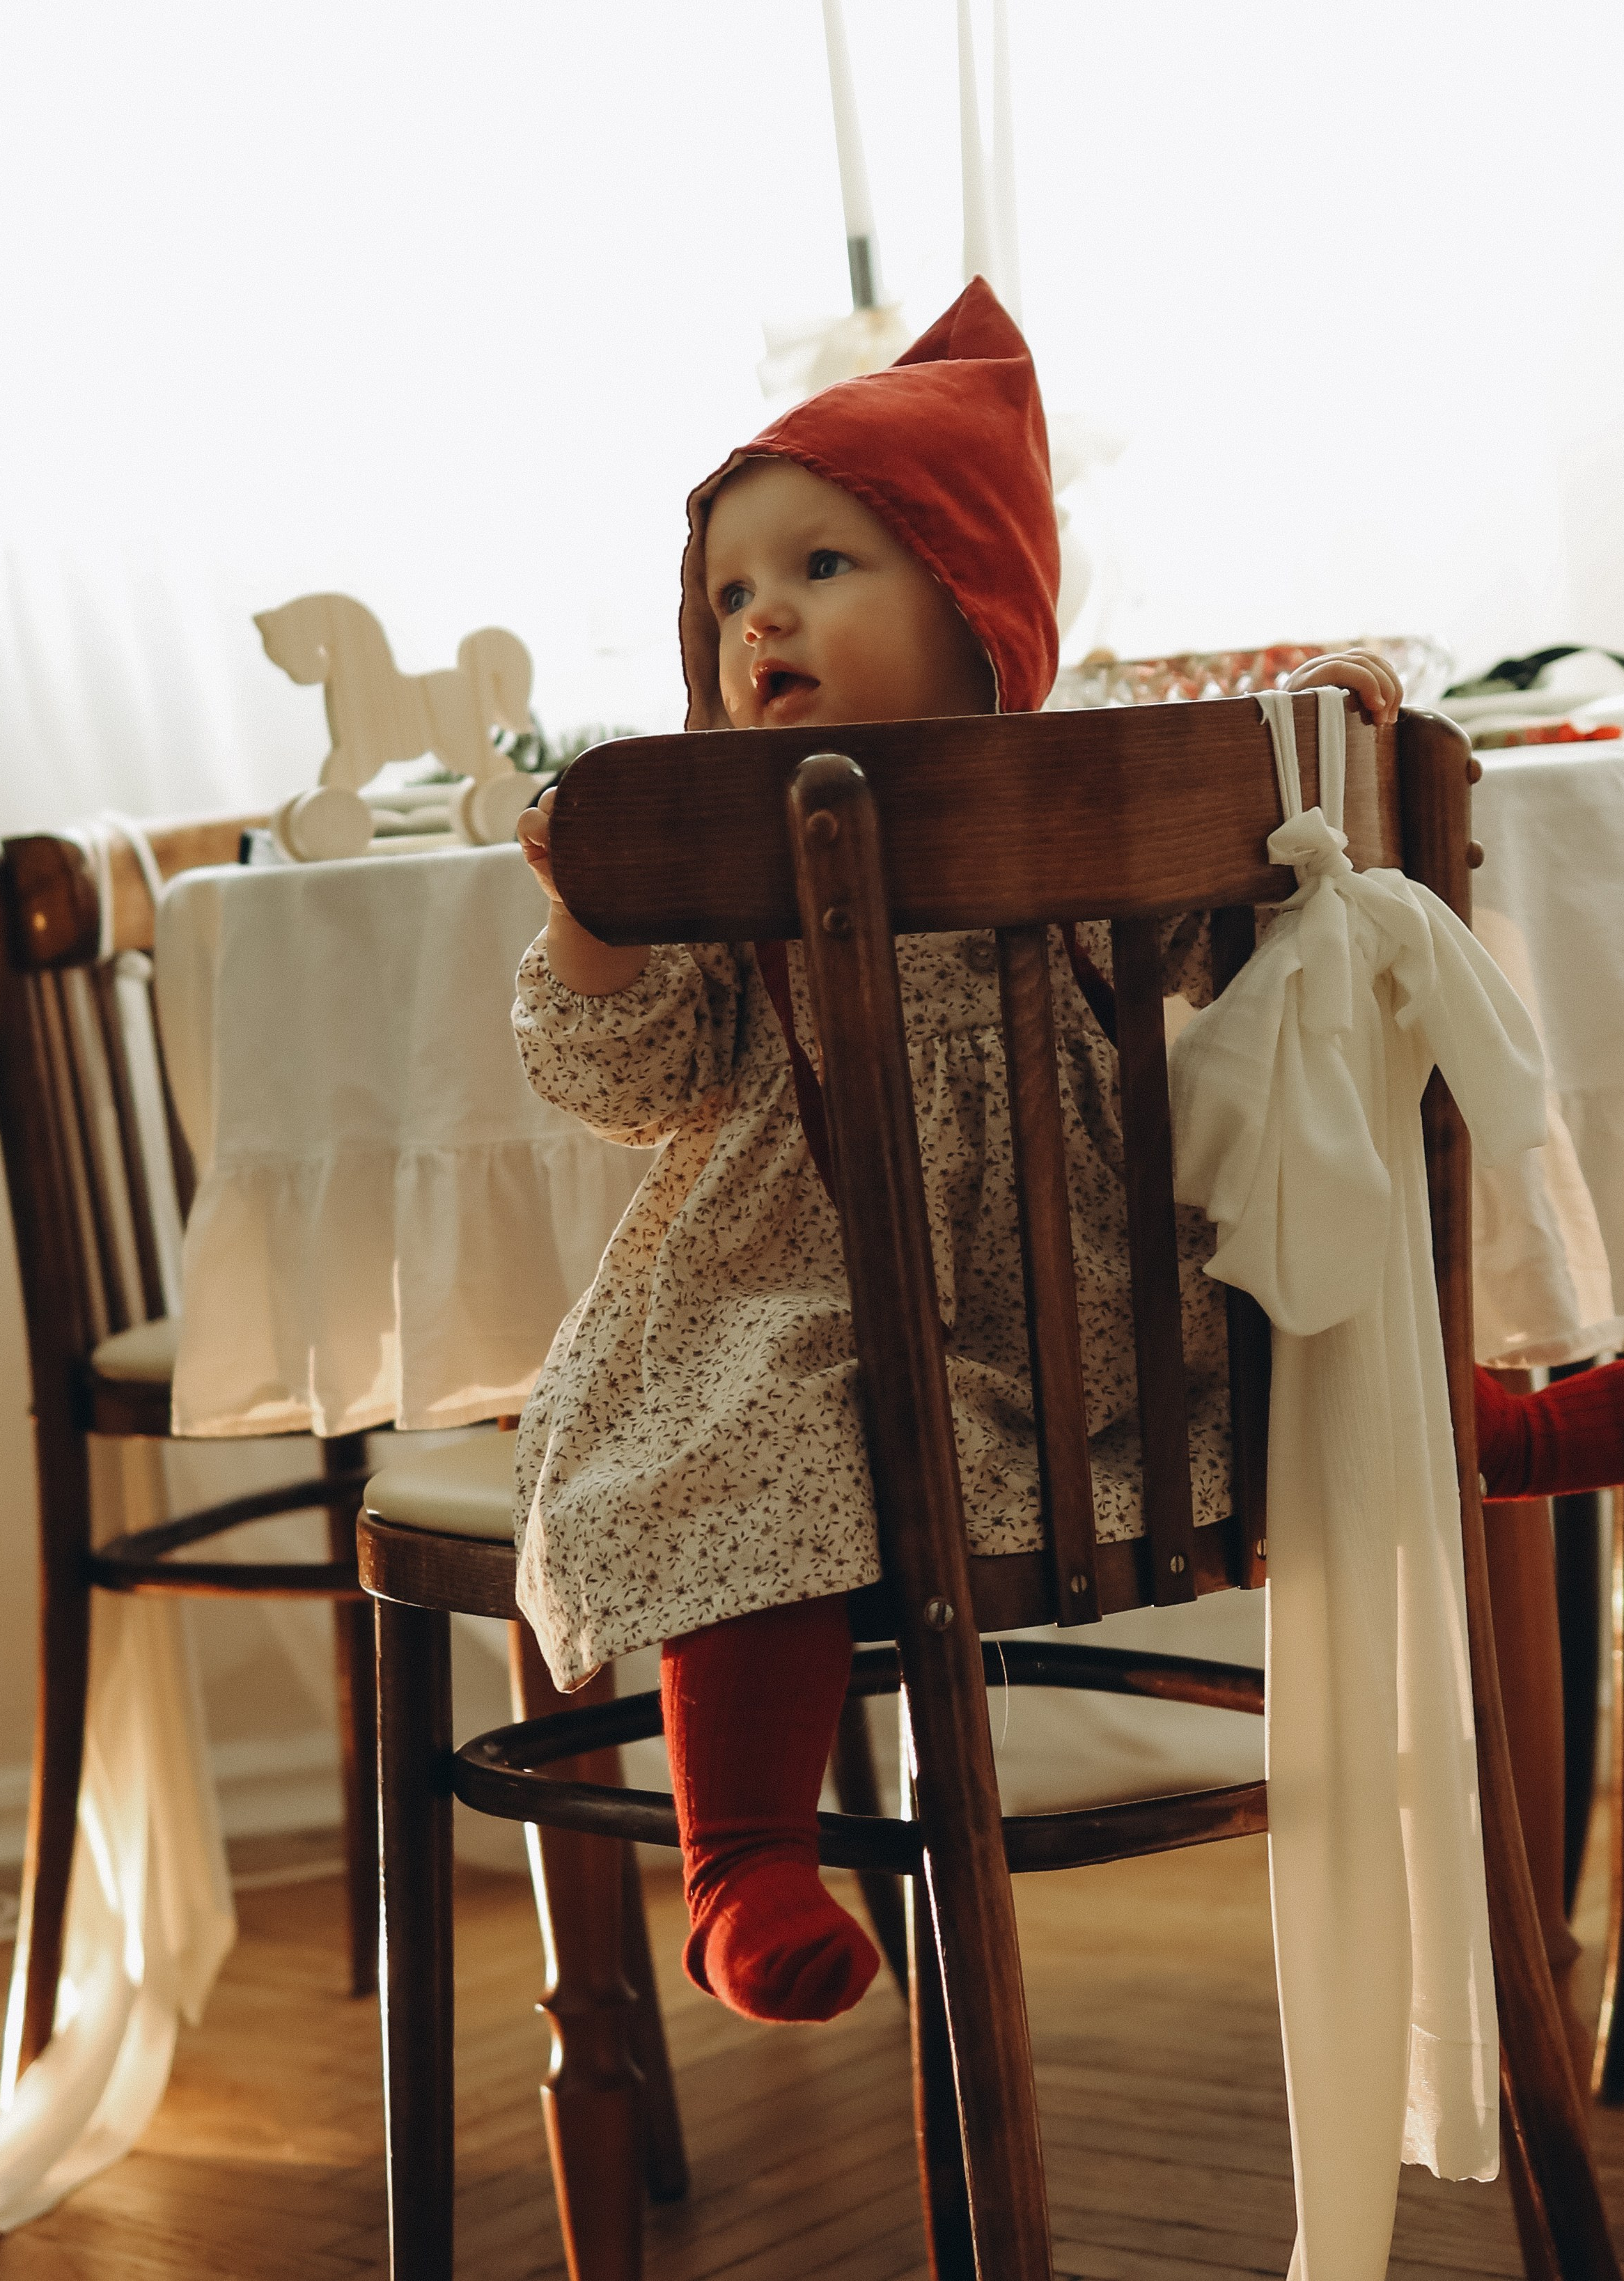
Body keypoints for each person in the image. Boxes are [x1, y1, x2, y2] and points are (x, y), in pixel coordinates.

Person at [510, 278, 1405, 2027]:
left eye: (819, 566)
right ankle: (744, 1856)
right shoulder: (722, 833)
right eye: (728, 594)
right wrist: (595, 910)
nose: (761, 615)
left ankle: (1488, 1424)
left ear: (973, 597)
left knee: (1286, 1272)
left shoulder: (1080, 799)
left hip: (1078, 1292)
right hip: (804, 1281)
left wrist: (1303, 737)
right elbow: (639, 1077)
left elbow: (1249, 930)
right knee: (750, 1416)